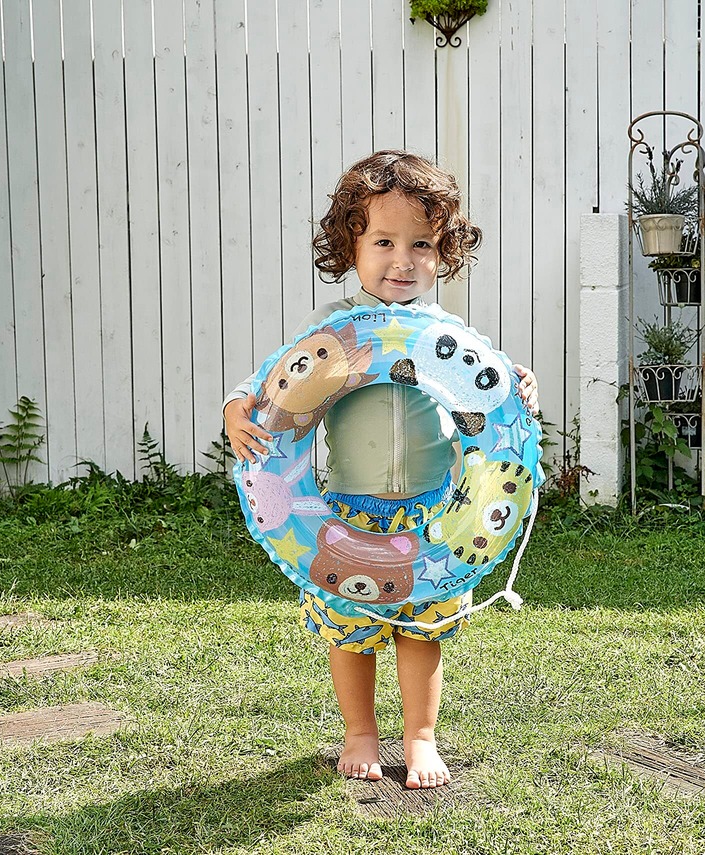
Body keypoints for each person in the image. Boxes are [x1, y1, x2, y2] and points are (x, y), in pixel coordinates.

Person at [223, 150, 539, 790]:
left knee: (422, 628)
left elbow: (489, 395)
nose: (404, 260)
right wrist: (237, 408)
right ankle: (360, 733)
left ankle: (420, 737)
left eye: (422, 244)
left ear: (444, 252)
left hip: (434, 508)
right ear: (351, 246)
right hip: (348, 508)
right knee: (350, 628)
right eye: (384, 242)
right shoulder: (328, 328)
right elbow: (269, 386)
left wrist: (519, 385)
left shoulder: (447, 333)